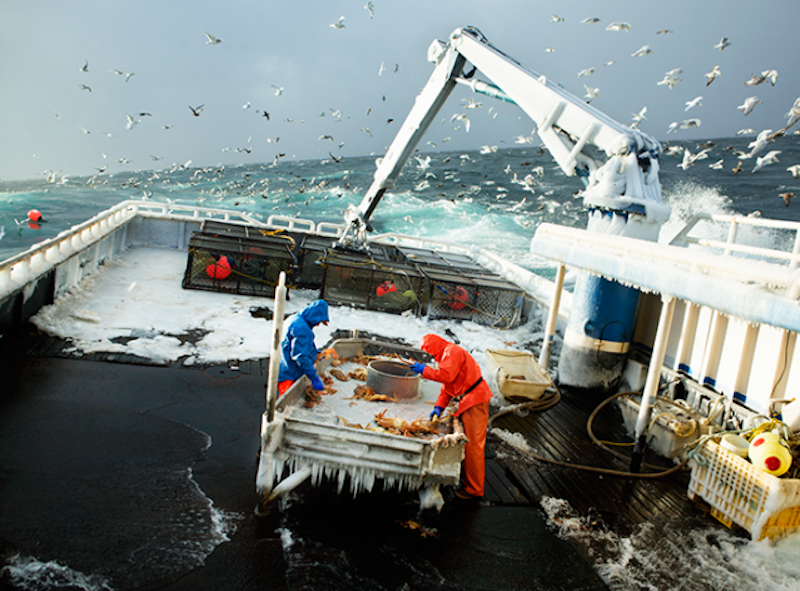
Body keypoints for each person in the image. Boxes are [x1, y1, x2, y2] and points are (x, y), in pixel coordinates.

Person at [409, 333, 492, 499]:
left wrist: (424, 370)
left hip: (475, 399)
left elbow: (446, 376)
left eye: (431, 353)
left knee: (474, 445)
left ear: (435, 348)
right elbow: (447, 387)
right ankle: (468, 479)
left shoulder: (452, 351)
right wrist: (438, 408)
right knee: (469, 443)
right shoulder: (446, 355)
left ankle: (474, 489)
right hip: (469, 399)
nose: (432, 356)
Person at [275, 299, 334, 396]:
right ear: (314, 316)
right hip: (288, 374)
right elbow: (300, 356)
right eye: (319, 321)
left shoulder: (295, 318)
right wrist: (314, 378)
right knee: (287, 405)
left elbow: (298, 346)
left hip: (281, 365)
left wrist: (315, 353)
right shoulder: (302, 329)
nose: (318, 325)